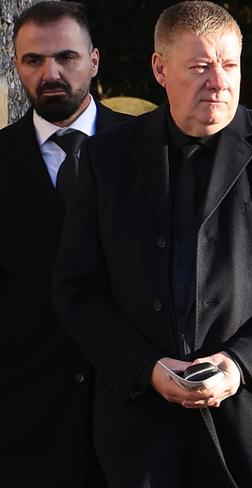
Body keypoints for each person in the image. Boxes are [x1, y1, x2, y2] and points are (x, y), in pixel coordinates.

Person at [52, 2, 252, 487]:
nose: (219, 81)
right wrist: (146, 369)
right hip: (139, 439)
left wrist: (242, 364)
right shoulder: (104, 159)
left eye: (230, 64)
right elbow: (76, 289)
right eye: (200, 67)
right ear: (160, 69)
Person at [0, 2, 129, 486]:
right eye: (33, 60)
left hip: (134, 419)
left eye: (66, 57)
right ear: (16, 66)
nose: (51, 73)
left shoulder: (151, 152)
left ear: (94, 61)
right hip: (24, 428)